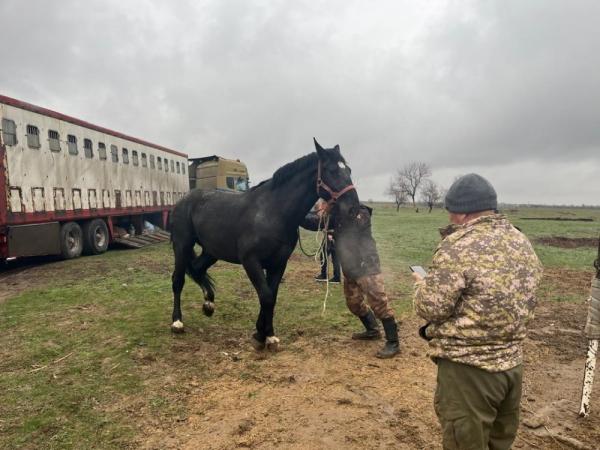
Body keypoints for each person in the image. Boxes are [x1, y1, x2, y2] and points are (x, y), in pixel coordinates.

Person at [412, 173, 543, 450]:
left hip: (468, 371)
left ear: (461, 212)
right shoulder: (521, 241)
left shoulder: (458, 246)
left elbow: (431, 307)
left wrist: (422, 286)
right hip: (511, 366)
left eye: (449, 211)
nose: (449, 218)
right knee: (499, 443)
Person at [304, 202, 399, 358]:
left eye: (326, 203)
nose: (323, 206)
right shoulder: (334, 216)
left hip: (367, 265)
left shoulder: (360, 211)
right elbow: (314, 222)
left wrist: (329, 217)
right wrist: (298, 215)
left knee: (379, 303)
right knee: (354, 303)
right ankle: (372, 330)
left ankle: (393, 342)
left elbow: (353, 227)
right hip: (350, 268)